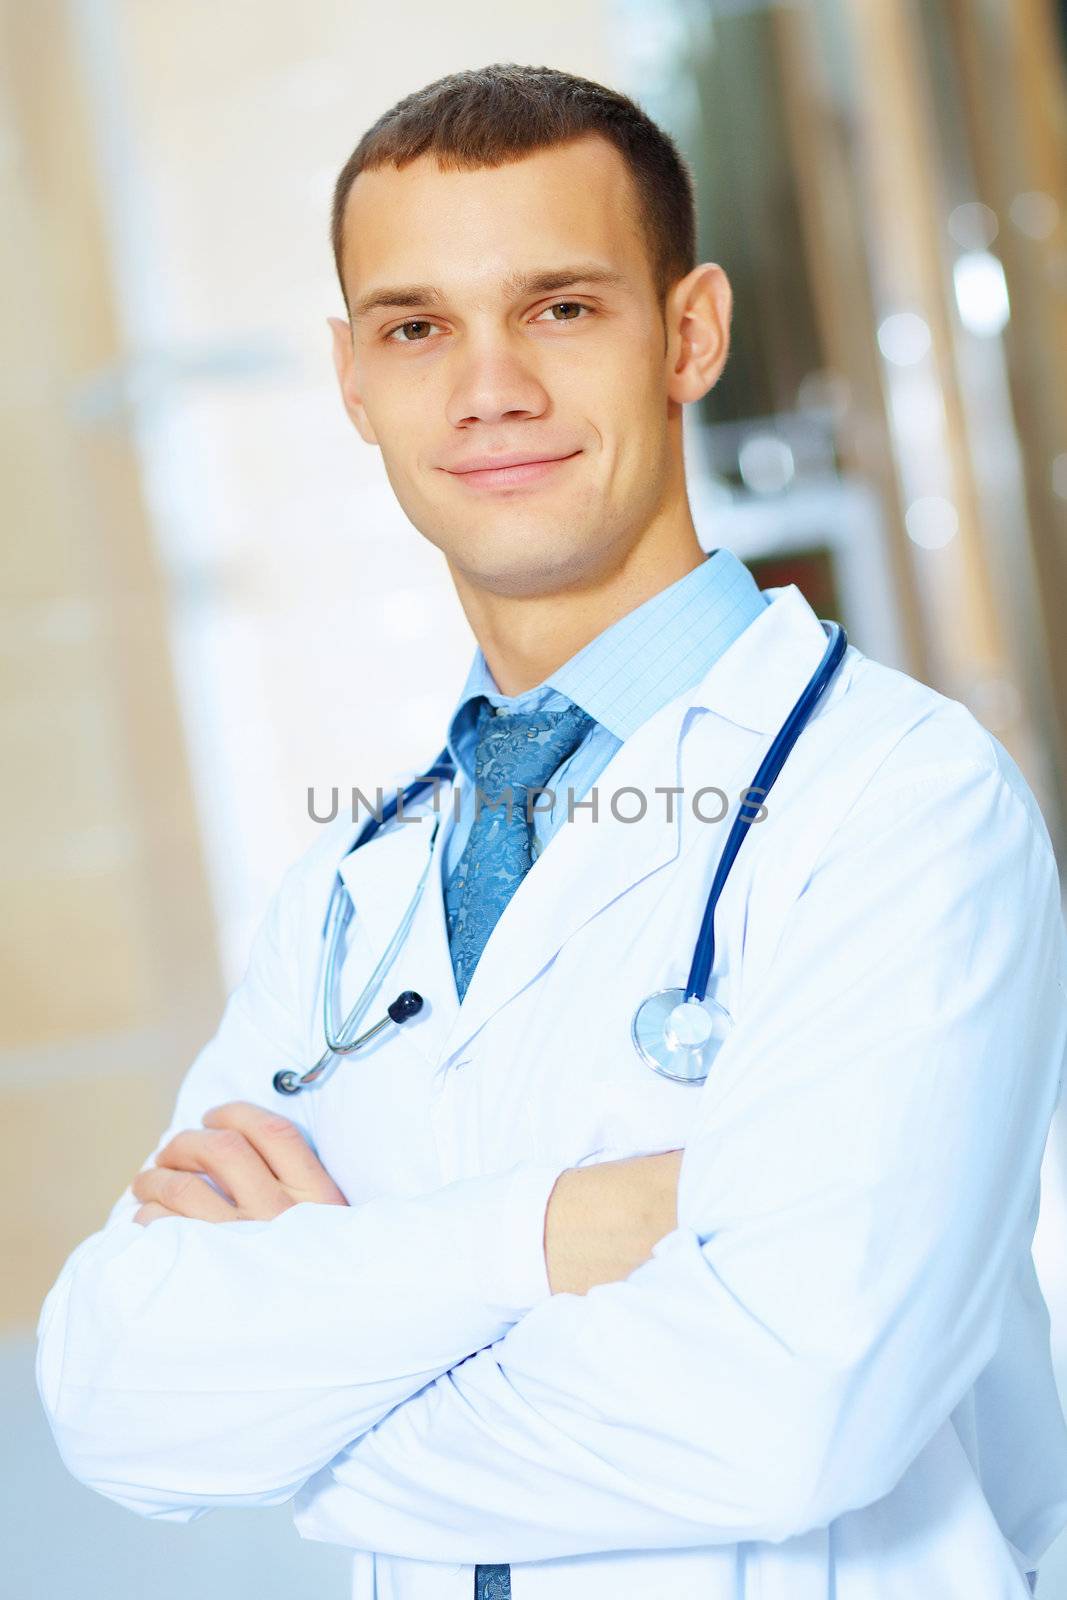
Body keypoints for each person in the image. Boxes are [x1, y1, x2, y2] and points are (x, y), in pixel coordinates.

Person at [37, 61, 1067, 1600]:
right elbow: (117, 1399)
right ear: (352, 381)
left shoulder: (902, 805)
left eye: (561, 308)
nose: (487, 389)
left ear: (691, 332)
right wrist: (559, 1232)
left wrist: (321, 1390)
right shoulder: (354, 888)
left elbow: (793, 1419)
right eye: (415, 328)